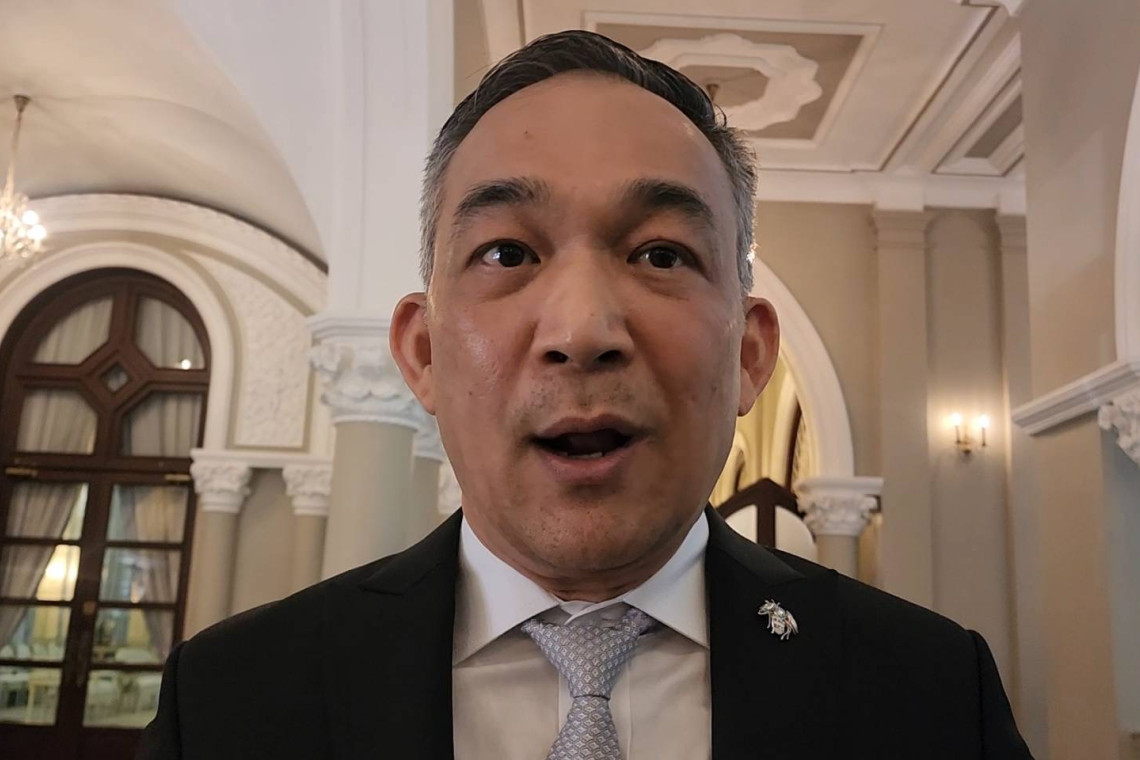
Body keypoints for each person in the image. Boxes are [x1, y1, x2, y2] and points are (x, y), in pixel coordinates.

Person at [138, 30, 1033, 760]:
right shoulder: (230, 702)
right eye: (508, 253)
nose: (582, 329)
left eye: (660, 254)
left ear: (750, 352)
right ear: (422, 354)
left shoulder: (930, 694)